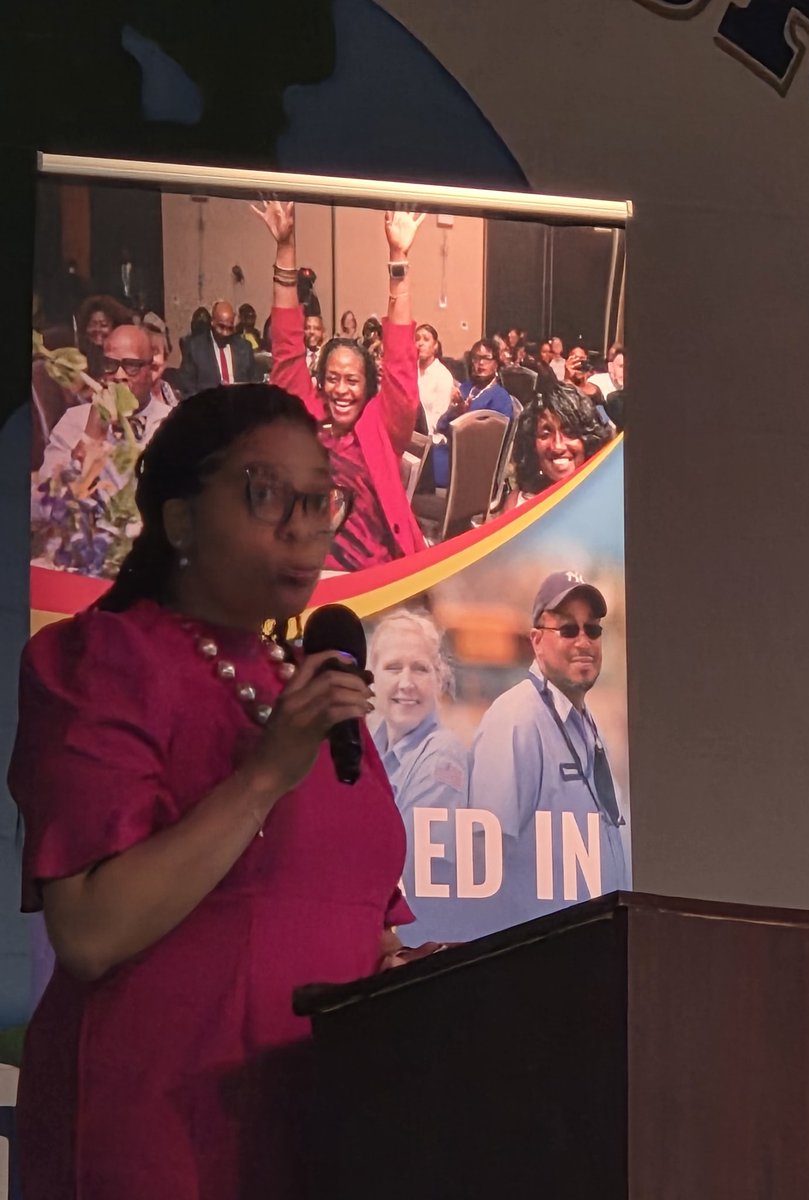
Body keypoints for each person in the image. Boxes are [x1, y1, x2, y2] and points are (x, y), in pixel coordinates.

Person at [11, 382, 423, 1199]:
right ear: (180, 521)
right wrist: (266, 775)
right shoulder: (105, 660)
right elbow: (91, 930)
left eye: (318, 498)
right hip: (162, 1134)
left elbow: (348, 914)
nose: (302, 525)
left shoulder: (312, 689)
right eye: (267, 494)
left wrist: (403, 968)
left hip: (320, 1128)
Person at [254, 198, 427, 571]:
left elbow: (400, 363)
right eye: (332, 379)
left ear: (367, 388)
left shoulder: (382, 428)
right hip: (306, 574)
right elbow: (286, 350)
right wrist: (285, 248)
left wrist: (399, 259)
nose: (341, 390)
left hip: (372, 578)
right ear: (320, 383)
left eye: (352, 380)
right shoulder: (305, 420)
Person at [464, 571, 629, 936]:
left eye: (593, 630)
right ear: (537, 642)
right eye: (568, 630)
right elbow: (483, 861)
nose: (584, 641)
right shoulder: (517, 718)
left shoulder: (584, 722)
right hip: (539, 960)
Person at [368, 609, 467, 942]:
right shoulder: (369, 746)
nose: (406, 683)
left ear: (439, 680)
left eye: (420, 669)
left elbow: (404, 867)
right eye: (393, 667)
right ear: (373, 677)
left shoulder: (442, 756)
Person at [38, 324, 172, 490]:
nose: (119, 375)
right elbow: (44, 500)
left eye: (132, 366)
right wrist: (88, 440)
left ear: (151, 370)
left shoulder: (173, 424)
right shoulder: (75, 421)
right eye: (110, 364)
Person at [504, 384, 612, 510]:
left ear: (589, 439)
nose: (557, 446)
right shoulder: (517, 506)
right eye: (545, 434)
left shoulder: (611, 501)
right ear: (532, 445)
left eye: (569, 432)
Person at [430, 339, 514, 489]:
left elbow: (492, 442)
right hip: (451, 452)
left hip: (472, 464)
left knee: (424, 467)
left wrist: (464, 416)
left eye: (486, 358)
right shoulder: (466, 388)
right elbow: (441, 426)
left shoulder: (500, 397)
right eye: (476, 358)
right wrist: (455, 412)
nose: (480, 363)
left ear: (496, 363)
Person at [178, 300, 256, 396]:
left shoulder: (244, 348)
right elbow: (187, 387)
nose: (225, 333)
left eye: (229, 328)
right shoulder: (195, 348)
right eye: (221, 327)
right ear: (212, 322)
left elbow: (253, 384)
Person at [415, 322, 457, 433]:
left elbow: (439, 420)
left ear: (435, 346)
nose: (420, 343)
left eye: (426, 339)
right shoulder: (409, 370)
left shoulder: (443, 376)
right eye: (417, 339)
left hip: (431, 438)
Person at [303, 314, 326, 378]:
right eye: (308, 328)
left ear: (322, 332)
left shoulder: (327, 357)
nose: (312, 332)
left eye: (317, 328)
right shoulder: (296, 357)